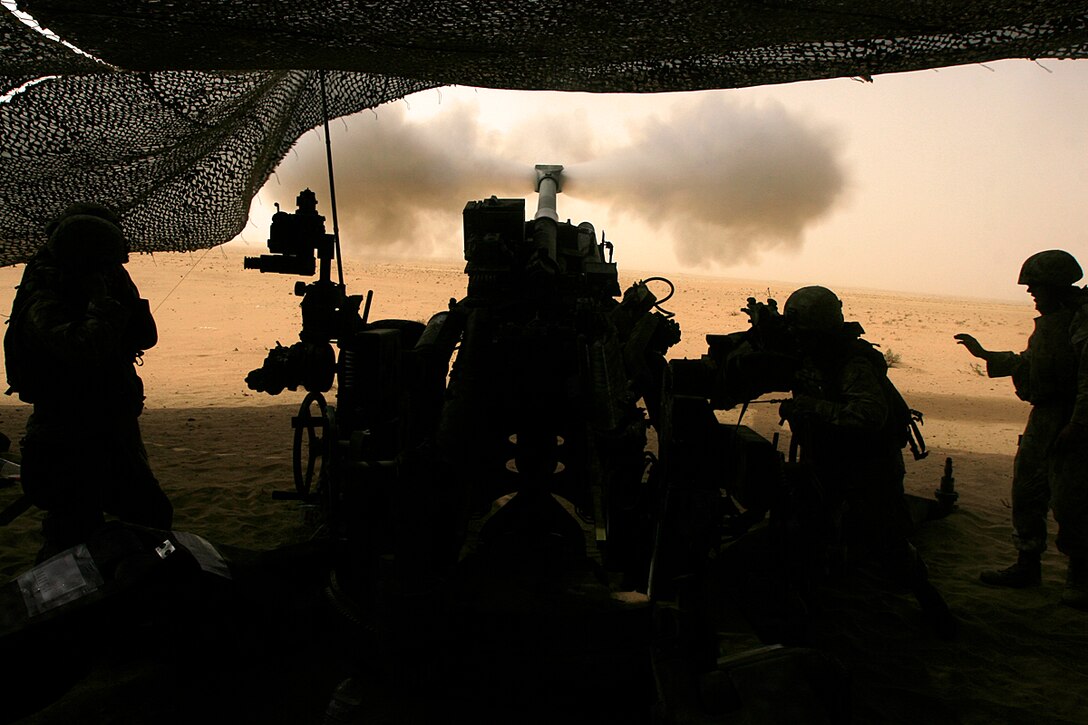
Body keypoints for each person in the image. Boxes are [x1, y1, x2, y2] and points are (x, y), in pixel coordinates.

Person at [777, 285, 957, 637]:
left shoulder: (850, 361)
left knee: (887, 538)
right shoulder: (816, 354)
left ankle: (932, 604)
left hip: (869, 466)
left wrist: (812, 407)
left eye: (801, 329)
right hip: (832, 460)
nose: (795, 336)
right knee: (810, 528)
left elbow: (868, 415)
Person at [4, 203, 173, 562]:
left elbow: (144, 335)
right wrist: (102, 304)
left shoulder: (96, 281)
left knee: (153, 517)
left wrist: (118, 296)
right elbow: (83, 348)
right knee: (71, 537)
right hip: (66, 434)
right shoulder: (45, 297)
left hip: (110, 426)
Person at [955, 249, 1088, 609]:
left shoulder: (1082, 321)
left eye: (1036, 287)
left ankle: (1081, 576)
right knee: (1028, 487)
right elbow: (1033, 363)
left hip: (1075, 418)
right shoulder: (1053, 322)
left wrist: (1078, 423)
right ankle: (1027, 563)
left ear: (1056, 285)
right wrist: (986, 355)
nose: (1031, 294)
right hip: (1046, 417)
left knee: (1073, 498)